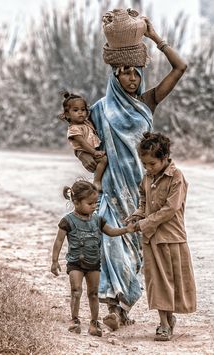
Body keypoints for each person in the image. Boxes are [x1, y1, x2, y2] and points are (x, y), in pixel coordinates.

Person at [76, 16, 188, 330]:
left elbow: (180, 68)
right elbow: (83, 137)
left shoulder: (147, 103)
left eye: (135, 74)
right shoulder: (99, 109)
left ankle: (124, 307)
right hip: (111, 190)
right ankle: (115, 307)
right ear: (115, 75)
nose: (132, 80)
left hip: (143, 193)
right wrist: (86, 156)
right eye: (125, 74)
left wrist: (155, 37)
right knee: (111, 246)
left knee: (137, 252)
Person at [126, 132, 196, 341]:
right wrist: (136, 215)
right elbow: (143, 200)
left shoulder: (177, 177)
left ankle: (170, 318)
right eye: (145, 165)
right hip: (151, 238)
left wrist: (144, 223)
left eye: (152, 164)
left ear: (165, 158)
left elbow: (170, 209)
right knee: (157, 281)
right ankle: (163, 323)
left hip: (172, 237)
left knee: (172, 280)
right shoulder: (147, 177)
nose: (148, 169)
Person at [51, 180, 135, 337]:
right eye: (90, 203)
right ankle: (75, 321)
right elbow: (59, 241)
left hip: (93, 263)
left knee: (93, 293)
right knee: (76, 290)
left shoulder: (97, 220)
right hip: (75, 262)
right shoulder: (68, 221)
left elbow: (111, 232)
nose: (94, 206)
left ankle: (94, 323)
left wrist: (127, 229)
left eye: (96, 203)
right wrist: (54, 261)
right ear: (76, 202)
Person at [58, 92, 107, 191]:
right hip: (86, 151)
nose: (80, 112)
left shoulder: (86, 122)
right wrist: (94, 152)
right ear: (67, 114)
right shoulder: (73, 129)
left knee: (103, 161)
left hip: (93, 150)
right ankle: (97, 181)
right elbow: (82, 143)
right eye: (76, 110)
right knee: (103, 160)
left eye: (83, 110)